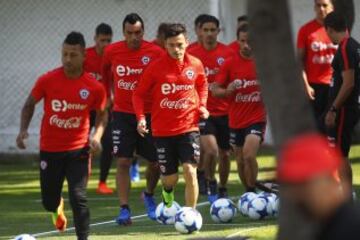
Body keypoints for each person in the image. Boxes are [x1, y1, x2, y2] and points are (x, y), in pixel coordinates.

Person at [16, 32, 107, 240]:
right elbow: (29, 104)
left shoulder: (94, 87)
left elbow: (103, 114)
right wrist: (23, 131)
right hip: (50, 149)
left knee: (79, 196)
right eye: (64, 54)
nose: (67, 59)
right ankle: (57, 208)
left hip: (79, 150)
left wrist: (97, 136)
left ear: (84, 55)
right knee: (49, 201)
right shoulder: (47, 80)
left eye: (73, 55)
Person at [133, 23, 208, 208]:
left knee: (190, 171)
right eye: (172, 45)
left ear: (187, 43)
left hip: (189, 127)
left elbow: (202, 84)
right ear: (165, 45)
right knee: (170, 179)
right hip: (163, 131)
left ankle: (191, 213)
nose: (177, 49)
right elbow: (138, 94)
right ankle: (167, 192)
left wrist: (203, 105)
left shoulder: (196, 64)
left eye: (180, 44)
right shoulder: (155, 68)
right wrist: (141, 118)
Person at [101, 13, 164, 225]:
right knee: (123, 161)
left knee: (156, 163)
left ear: (143, 32)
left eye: (138, 33)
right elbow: (105, 75)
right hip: (122, 114)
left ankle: (148, 194)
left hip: (149, 114)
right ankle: (124, 209)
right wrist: (108, 95)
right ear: (123, 33)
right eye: (130, 33)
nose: (134, 37)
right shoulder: (112, 51)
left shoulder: (155, 52)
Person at [213, 24, 266, 193]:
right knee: (241, 160)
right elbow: (215, 89)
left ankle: (253, 191)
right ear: (238, 41)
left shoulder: (263, 63)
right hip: (236, 121)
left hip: (257, 118)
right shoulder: (230, 63)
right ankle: (249, 191)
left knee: (249, 155)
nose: (246, 45)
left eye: (249, 41)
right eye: (242, 41)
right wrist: (228, 91)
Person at [277, 133, 360, 240]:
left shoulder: (350, 230)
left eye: (304, 183)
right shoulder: (329, 227)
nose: (296, 193)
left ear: (332, 178)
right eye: (291, 184)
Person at [188, 15, 234, 203]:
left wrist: (226, 90)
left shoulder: (227, 53)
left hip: (226, 111)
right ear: (199, 31)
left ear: (218, 31)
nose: (209, 34)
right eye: (205, 30)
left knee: (224, 154)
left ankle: (222, 186)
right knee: (211, 150)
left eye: (212, 30)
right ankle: (210, 180)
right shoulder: (190, 53)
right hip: (202, 111)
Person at [323, 12, 360, 196]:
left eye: (327, 32)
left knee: (340, 155)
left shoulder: (346, 48)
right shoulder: (354, 45)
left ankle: (346, 197)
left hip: (344, 109)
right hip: (348, 107)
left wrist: (333, 109)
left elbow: (349, 82)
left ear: (329, 29)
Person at [297, 0, 337, 131]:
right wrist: (306, 85)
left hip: (335, 84)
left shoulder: (340, 29)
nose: (321, 9)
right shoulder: (305, 30)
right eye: (318, 5)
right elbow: (300, 61)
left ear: (332, 7)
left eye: (325, 5)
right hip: (314, 87)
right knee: (317, 127)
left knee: (335, 125)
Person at [84, 23, 114, 195]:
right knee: (82, 143)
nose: (105, 44)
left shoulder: (113, 57)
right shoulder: (85, 56)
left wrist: (113, 98)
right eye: (102, 40)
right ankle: (83, 177)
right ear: (95, 39)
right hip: (85, 108)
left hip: (104, 108)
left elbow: (117, 81)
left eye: (108, 40)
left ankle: (102, 182)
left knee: (108, 144)